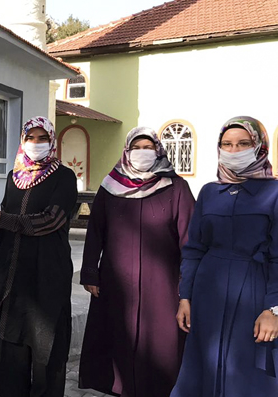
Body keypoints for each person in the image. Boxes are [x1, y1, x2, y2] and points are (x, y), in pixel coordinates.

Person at [171, 116, 278, 397]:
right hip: (209, 292)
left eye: (243, 144)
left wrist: (274, 309)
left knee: (250, 376)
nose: (234, 150)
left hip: (256, 294)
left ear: (259, 146)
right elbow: (194, 250)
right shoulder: (209, 192)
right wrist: (185, 297)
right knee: (202, 369)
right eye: (227, 144)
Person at [78, 127, 195, 397]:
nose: (142, 153)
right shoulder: (111, 187)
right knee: (119, 339)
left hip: (162, 286)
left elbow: (190, 241)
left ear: (158, 150)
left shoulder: (176, 187)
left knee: (160, 346)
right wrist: (90, 272)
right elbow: (95, 231)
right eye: (136, 148)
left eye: (148, 147)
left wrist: (186, 288)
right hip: (116, 282)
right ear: (127, 152)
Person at [0, 116, 78, 397]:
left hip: (47, 276)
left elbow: (51, 220)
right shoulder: (15, 177)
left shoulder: (64, 177)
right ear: (22, 140)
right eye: (30, 138)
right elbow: (8, 219)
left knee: (47, 354)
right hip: (13, 277)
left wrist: (3, 219)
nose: (36, 143)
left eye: (42, 138)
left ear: (52, 141)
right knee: (11, 356)